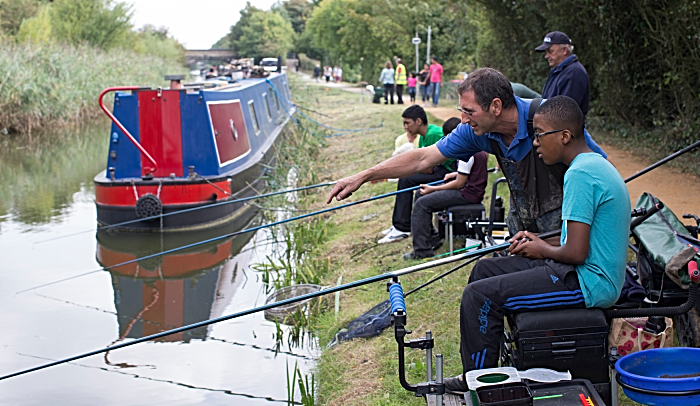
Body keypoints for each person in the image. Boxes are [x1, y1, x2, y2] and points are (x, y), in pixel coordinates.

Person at [442, 95, 630, 392]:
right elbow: (574, 239)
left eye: (540, 134)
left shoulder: (581, 174)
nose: (536, 142)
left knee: (480, 297)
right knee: (484, 271)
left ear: (565, 136)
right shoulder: (589, 165)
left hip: (591, 283)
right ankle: (491, 371)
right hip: (580, 271)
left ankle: (482, 388)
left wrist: (540, 249)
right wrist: (537, 239)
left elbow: (576, 252)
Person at [327, 68, 607, 237]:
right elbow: (422, 158)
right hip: (524, 231)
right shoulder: (478, 131)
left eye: (469, 111)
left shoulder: (550, 120)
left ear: (496, 106)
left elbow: (600, 172)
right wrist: (364, 175)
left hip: (567, 236)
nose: (463, 120)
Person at [404, 118, 488, 259]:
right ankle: (432, 239)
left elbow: (459, 184)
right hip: (471, 190)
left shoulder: (466, 152)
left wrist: (433, 189)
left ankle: (422, 251)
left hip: (466, 194)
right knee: (419, 194)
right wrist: (455, 173)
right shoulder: (477, 147)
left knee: (422, 204)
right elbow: (471, 172)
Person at [377, 106, 457, 244]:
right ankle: (400, 225)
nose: (405, 127)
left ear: (418, 121)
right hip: (440, 170)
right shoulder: (423, 137)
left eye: (407, 123)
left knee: (406, 180)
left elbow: (428, 168)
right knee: (405, 179)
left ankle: (402, 227)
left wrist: (407, 169)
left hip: (449, 172)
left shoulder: (433, 135)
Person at [535, 31, 590, 116]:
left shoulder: (573, 72)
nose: (546, 56)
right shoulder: (556, 71)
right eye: (546, 52)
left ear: (564, 50)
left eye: (551, 51)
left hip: (565, 128)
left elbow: (566, 112)